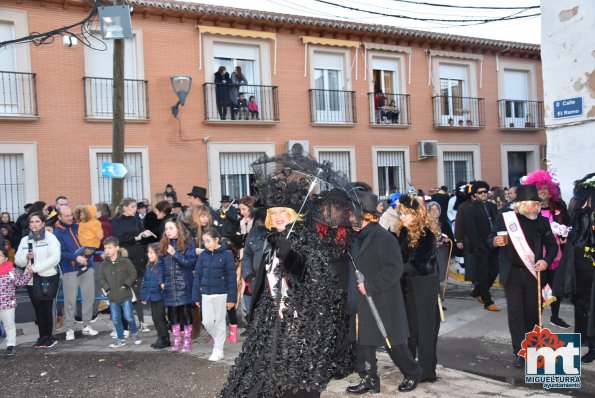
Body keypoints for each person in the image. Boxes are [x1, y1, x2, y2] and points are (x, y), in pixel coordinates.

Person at [220, 154, 350, 398]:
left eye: (284, 211)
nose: (278, 215)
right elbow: (265, 280)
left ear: (294, 213)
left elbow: (314, 280)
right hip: (273, 321)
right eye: (274, 212)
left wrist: (290, 256)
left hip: (303, 323)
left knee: (297, 379)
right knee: (265, 374)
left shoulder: (308, 240)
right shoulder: (270, 239)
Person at [346, 191, 422, 395]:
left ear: (367, 216)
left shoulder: (384, 238)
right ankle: (369, 379)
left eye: (354, 214)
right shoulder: (354, 238)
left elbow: (394, 270)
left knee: (394, 344)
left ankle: (413, 372)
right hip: (361, 301)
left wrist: (370, 285)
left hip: (382, 299)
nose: (350, 217)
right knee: (364, 343)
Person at [489, 184, 558, 368]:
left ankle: (533, 347)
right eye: (534, 203)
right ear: (522, 204)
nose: (538, 207)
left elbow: (552, 246)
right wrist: (495, 242)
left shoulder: (542, 221)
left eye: (538, 203)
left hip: (533, 273)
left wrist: (545, 261)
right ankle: (520, 352)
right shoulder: (506, 219)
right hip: (512, 273)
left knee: (532, 313)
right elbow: (491, 238)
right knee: (515, 314)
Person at [396, 194, 442, 383]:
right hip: (408, 285)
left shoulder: (427, 235)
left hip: (425, 285)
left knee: (426, 329)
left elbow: (417, 265)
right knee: (410, 328)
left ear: (416, 214)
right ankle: (411, 367)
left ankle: (427, 371)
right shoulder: (403, 232)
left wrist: (392, 269)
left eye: (405, 214)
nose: (401, 217)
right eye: (400, 214)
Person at [553, 173, 595, 363]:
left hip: (590, 267)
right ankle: (589, 343)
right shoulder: (580, 214)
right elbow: (575, 236)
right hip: (580, 268)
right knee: (583, 306)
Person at [523, 169, 571, 329]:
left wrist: (565, 234)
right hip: (537, 252)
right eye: (539, 188)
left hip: (556, 252)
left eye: (545, 188)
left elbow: (569, 225)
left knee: (555, 285)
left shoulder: (559, 206)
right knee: (539, 286)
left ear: (551, 191)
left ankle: (555, 316)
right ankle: (537, 319)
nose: (543, 191)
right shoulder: (530, 208)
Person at [14, 212, 61, 348]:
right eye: (32, 222)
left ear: (43, 223)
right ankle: (42, 336)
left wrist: (36, 268)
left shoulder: (50, 238)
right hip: (30, 279)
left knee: (47, 307)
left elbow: (55, 258)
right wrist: (26, 258)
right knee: (38, 308)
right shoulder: (25, 240)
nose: (34, 224)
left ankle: (50, 337)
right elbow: (18, 260)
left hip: (47, 276)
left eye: (37, 221)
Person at [53, 206, 99, 340]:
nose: (70, 218)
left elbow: (90, 241)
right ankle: (69, 329)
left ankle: (86, 325)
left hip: (87, 266)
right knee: (70, 301)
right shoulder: (57, 233)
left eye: (71, 215)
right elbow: (59, 253)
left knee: (89, 298)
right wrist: (75, 257)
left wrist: (91, 250)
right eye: (66, 216)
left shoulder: (79, 227)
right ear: (59, 217)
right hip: (70, 269)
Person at [112, 198, 155, 333]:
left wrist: (145, 234)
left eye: (135, 206)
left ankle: (141, 322)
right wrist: (136, 237)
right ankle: (125, 324)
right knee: (125, 290)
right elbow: (119, 239)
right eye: (132, 207)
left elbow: (141, 234)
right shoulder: (116, 221)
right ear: (124, 207)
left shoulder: (136, 219)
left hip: (138, 256)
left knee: (138, 290)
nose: (134, 209)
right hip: (125, 256)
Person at [193, 228, 237, 361]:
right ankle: (219, 340)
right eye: (204, 241)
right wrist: (196, 296)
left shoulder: (227, 255)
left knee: (219, 322)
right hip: (206, 294)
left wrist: (231, 298)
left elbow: (231, 277)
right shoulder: (203, 256)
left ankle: (218, 349)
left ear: (217, 239)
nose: (206, 244)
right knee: (206, 322)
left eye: (208, 241)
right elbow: (198, 276)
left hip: (221, 294)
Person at [157, 220, 197, 352]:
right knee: (172, 313)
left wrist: (175, 254)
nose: (168, 231)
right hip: (169, 284)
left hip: (183, 283)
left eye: (171, 228)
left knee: (185, 312)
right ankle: (177, 340)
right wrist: (161, 281)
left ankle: (187, 340)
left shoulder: (188, 244)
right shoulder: (163, 244)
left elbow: (189, 264)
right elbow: (161, 266)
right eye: (166, 228)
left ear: (178, 229)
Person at [99, 237, 142, 348]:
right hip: (112, 296)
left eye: (110, 248)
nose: (107, 250)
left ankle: (135, 334)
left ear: (117, 248)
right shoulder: (104, 264)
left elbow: (133, 274)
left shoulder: (125, 261)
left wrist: (126, 284)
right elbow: (101, 278)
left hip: (125, 294)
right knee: (116, 319)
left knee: (129, 317)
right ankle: (120, 339)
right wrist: (107, 289)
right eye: (105, 248)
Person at [465, 181, 500, 311]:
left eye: (485, 191)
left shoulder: (492, 206)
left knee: (495, 271)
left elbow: (497, 223)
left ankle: (477, 291)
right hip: (480, 247)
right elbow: (471, 231)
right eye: (480, 192)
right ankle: (488, 301)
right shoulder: (471, 209)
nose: (483, 194)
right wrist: (478, 247)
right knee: (484, 274)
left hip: (494, 245)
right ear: (475, 195)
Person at [0, 247, 32, 356]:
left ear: (5, 258)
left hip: (7, 303)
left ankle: (10, 346)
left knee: (9, 325)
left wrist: (28, 273)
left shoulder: (11, 270)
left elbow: (20, 283)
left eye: (0, 256)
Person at [140, 243, 170, 349]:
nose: (149, 255)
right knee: (155, 318)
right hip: (152, 296)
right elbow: (145, 282)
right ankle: (160, 337)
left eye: (151, 252)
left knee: (160, 317)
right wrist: (144, 296)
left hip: (160, 296)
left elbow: (165, 281)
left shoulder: (161, 266)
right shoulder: (149, 266)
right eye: (148, 252)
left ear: (158, 253)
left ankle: (164, 338)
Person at [73, 205, 104, 276]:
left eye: (82, 215)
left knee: (77, 253)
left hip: (91, 244)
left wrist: (99, 235)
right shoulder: (83, 223)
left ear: (88, 214)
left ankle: (83, 267)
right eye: (80, 215)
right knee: (86, 257)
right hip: (85, 244)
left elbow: (98, 230)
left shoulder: (94, 223)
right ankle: (84, 268)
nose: (81, 217)